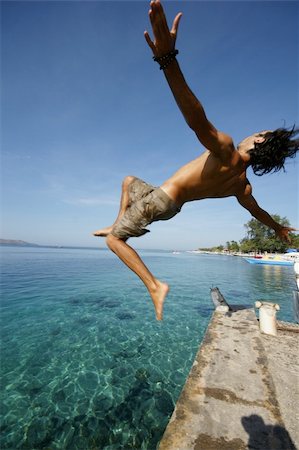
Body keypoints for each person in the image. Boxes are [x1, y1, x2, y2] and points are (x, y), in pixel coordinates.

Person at [93, 0, 299, 321]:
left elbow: (196, 117)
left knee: (114, 241)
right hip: (169, 204)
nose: (253, 131)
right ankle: (117, 221)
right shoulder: (242, 185)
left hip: (162, 201)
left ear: (259, 141)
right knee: (129, 181)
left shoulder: (228, 151)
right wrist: (277, 229)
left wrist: (166, 59)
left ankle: (154, 285)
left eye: (259, 131)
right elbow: (257, 212)